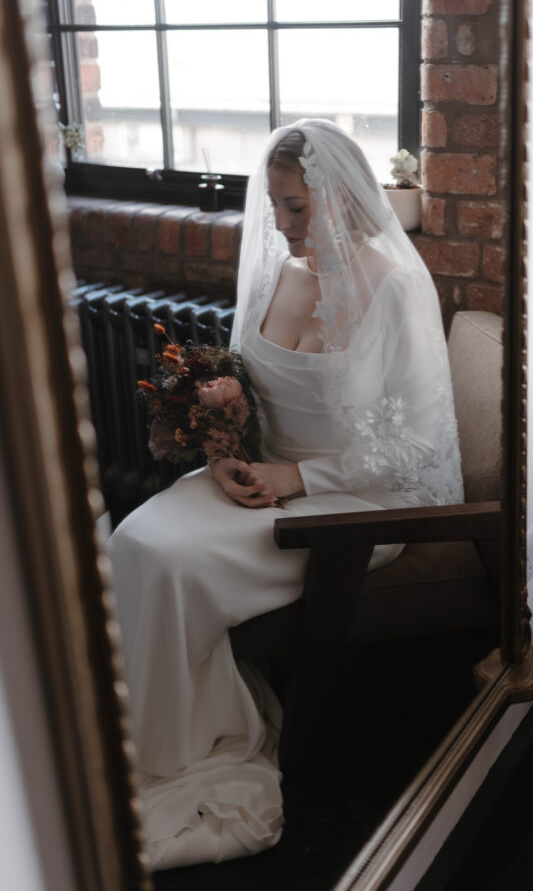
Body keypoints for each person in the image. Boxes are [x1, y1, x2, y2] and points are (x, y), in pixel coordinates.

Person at [108, 118, 463, 870]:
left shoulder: (397, 288)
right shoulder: (280, 273)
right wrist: (228, 443)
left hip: (354, 505)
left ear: (339, 196)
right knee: (133, 536)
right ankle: (148, 730)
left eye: (295, 206)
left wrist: (297, 478)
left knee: (172, 565)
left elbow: (417, 447)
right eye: (273, 204)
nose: (281, 223)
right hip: (261, 480)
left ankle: (173, 753)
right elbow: (255, 391)